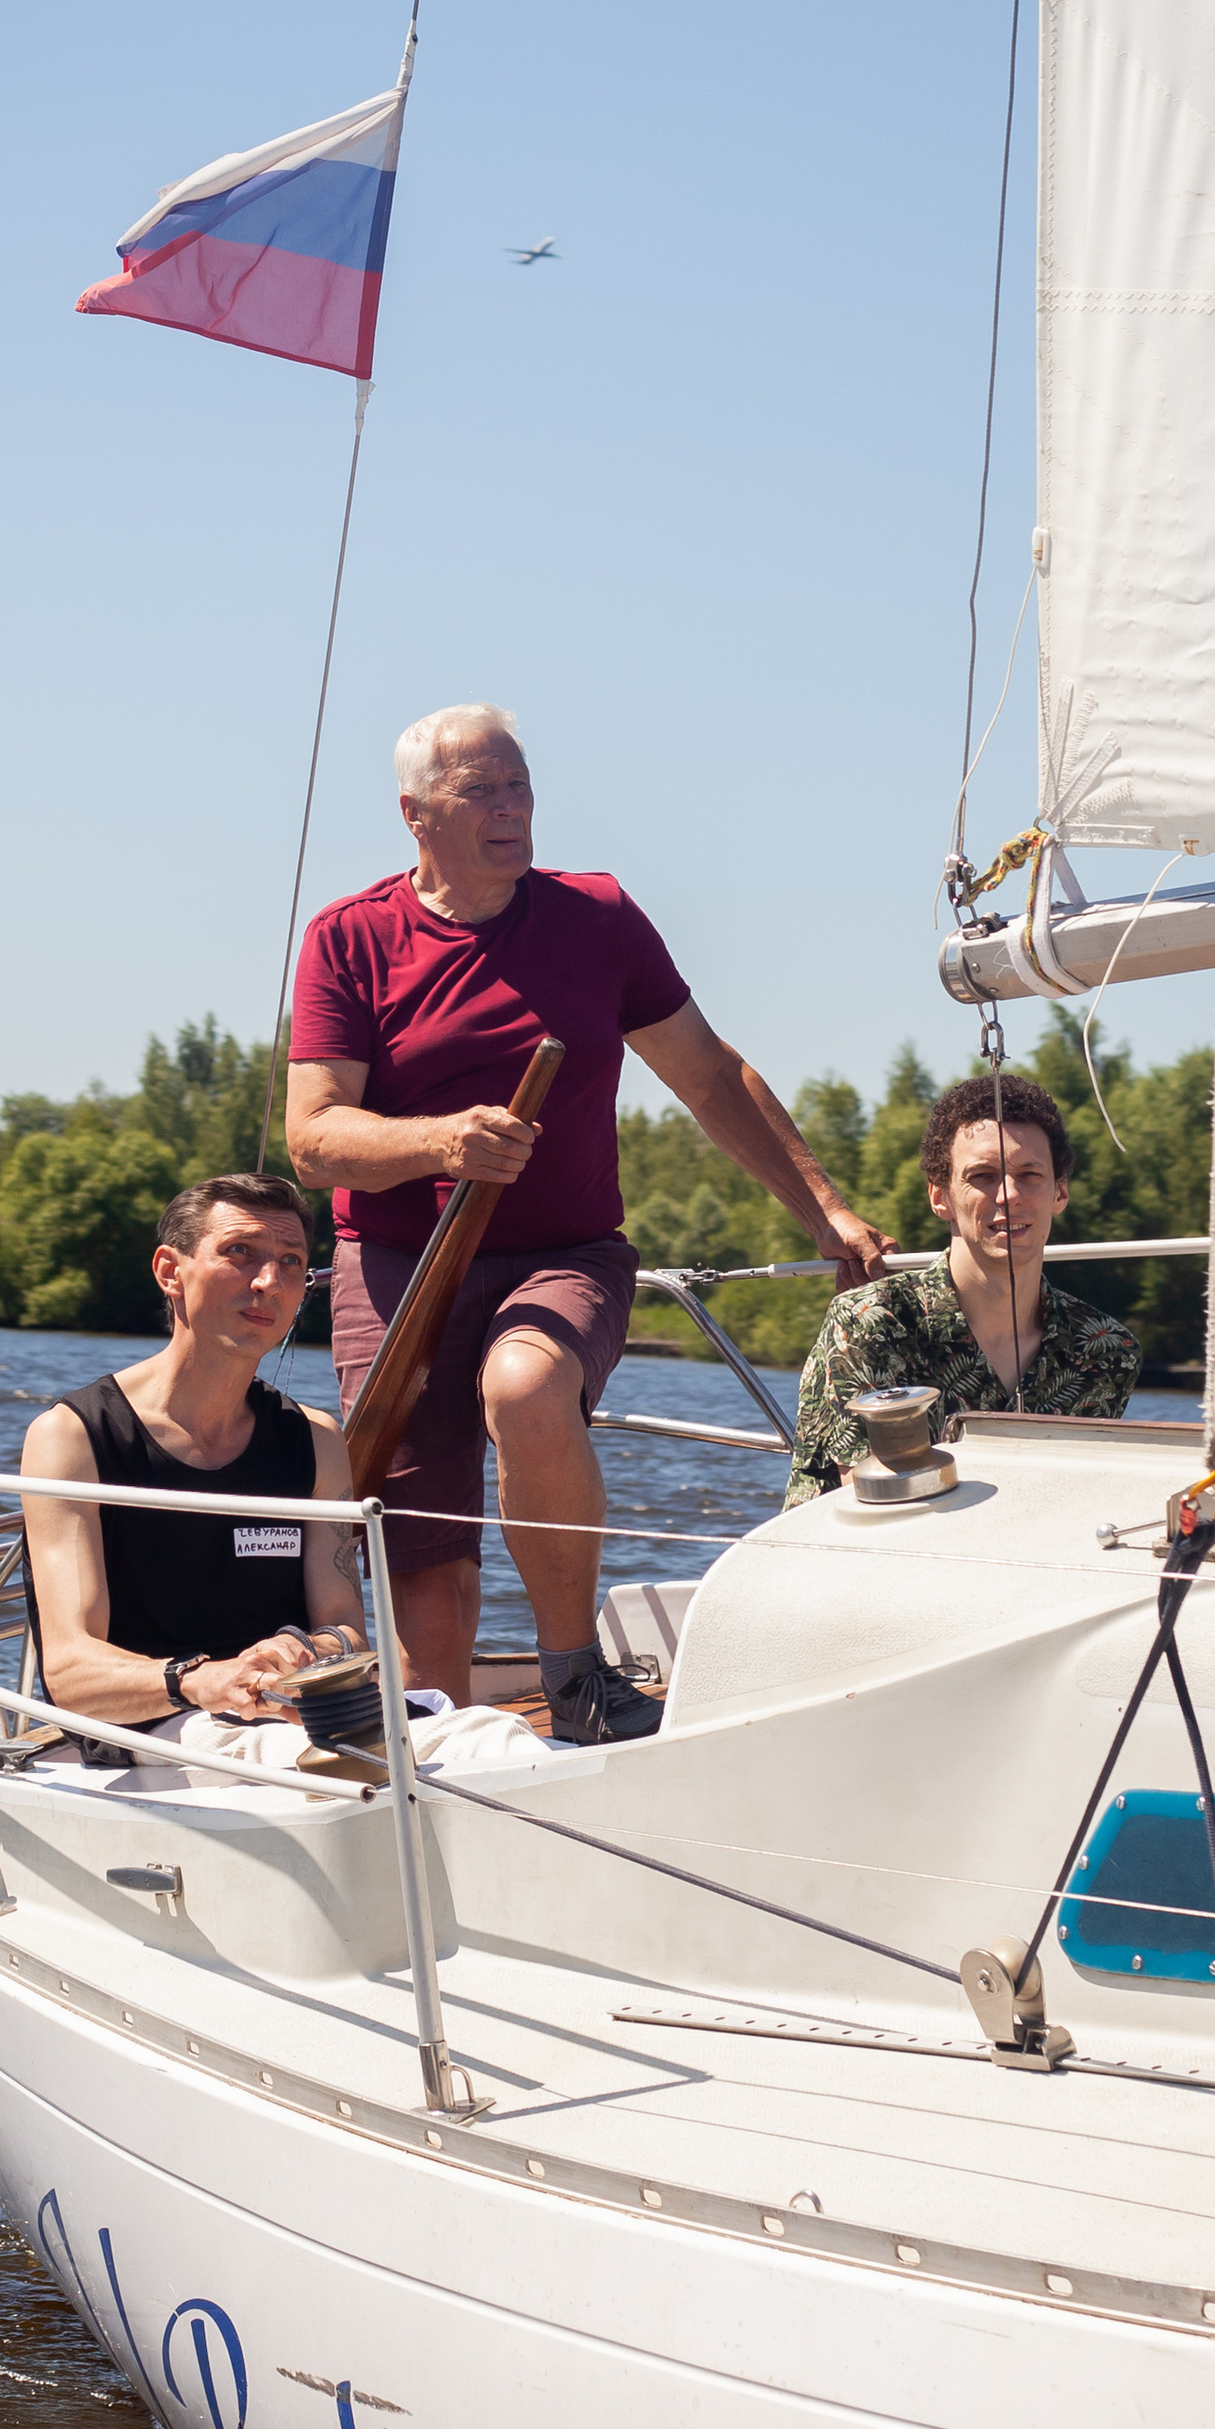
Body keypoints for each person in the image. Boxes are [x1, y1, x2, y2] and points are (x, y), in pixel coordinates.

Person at [282, 702, 890, 1738]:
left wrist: (824, 1205)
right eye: (482, 789)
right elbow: (314, 1135)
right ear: (415, 813)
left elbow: (707, 1075)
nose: (513, 807)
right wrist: (440, 1143)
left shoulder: (597, 917)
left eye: (520, 784)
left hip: (563, 1257)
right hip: (395, 1265)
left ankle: (573, 1684)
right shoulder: (351, 938)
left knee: (525, 1387)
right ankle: (437, 1763)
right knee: (431, 1576)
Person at [20, 1174, 361, 1738]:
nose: (269, 1282)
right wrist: (198, 1680)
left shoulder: (316, 1441)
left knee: (496, 1739)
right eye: (240, 1253)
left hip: (289, 1725)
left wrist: (300, 1649)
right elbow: (69, 1671)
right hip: (156, 1733)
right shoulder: (75, 1437)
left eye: (292, 1262)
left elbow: (346, 1633)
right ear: (169, 1271)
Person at [785, 1073, 1138, 1503]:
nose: (1009, 1195)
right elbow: (876, 1505)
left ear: (1059, 1193)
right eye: (983, 1176)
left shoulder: (1104, 1349)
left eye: (1030, 1174)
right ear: (940, 1197)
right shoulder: (875, 1323)